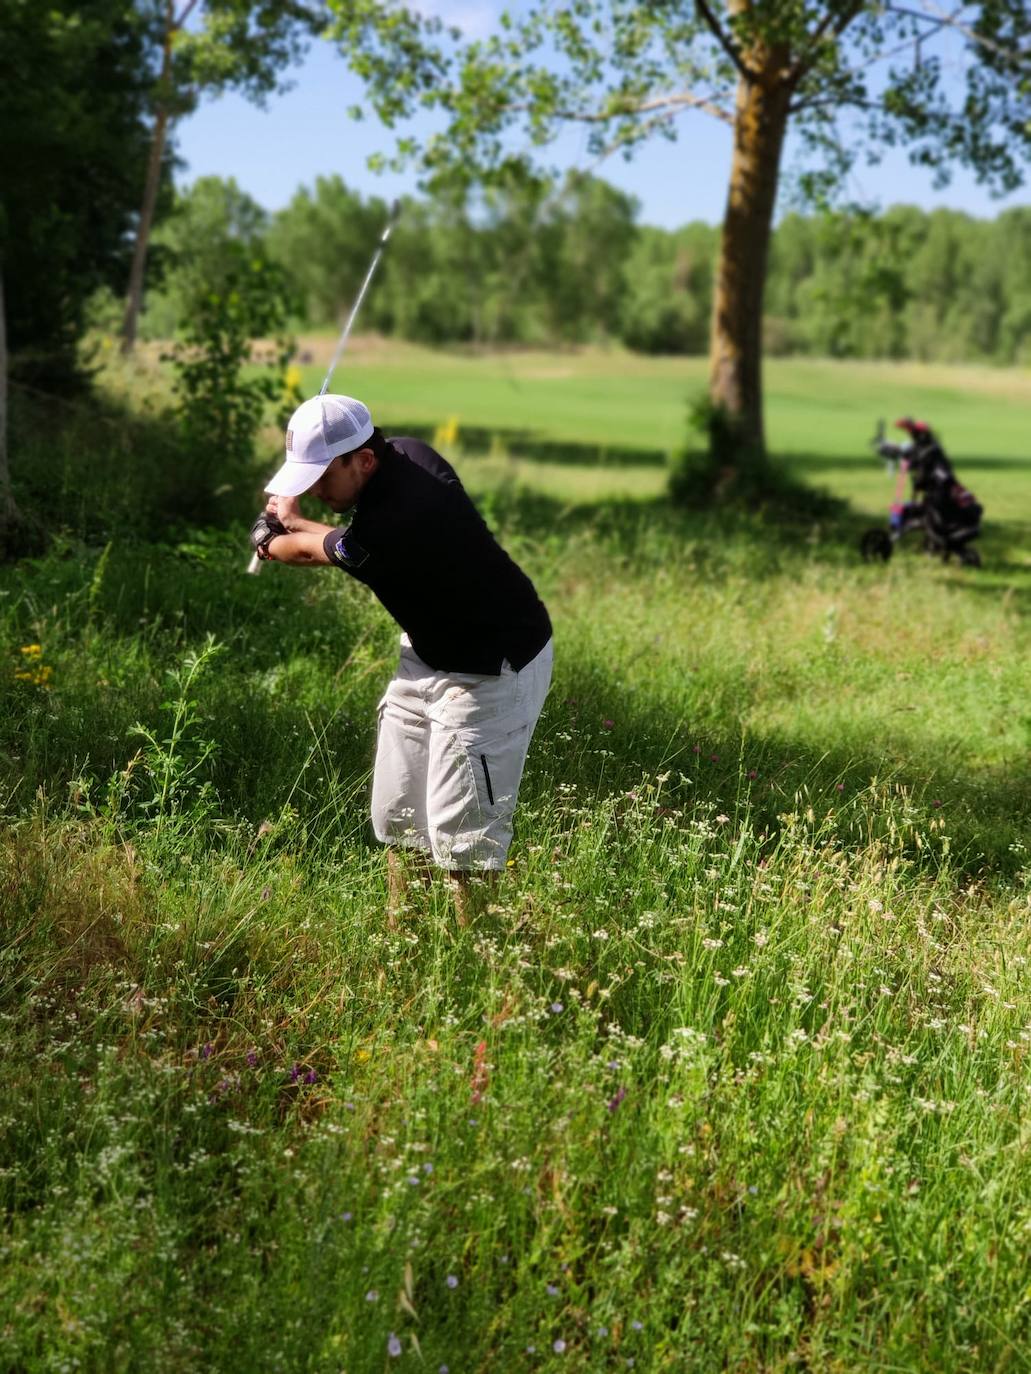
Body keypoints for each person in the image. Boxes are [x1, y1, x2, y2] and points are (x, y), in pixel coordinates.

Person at [249, 393, 553, 922]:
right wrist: (292, 518)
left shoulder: (394, 525)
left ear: (363, 460)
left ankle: (477, 951)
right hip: (429, 649)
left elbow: (315, 551)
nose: (315, 490)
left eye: (322, 476)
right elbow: (343, 537)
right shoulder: (410, 454)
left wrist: (267, 538)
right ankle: (403, 939)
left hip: (492, 665)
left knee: (464, 841)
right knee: (399, 817)